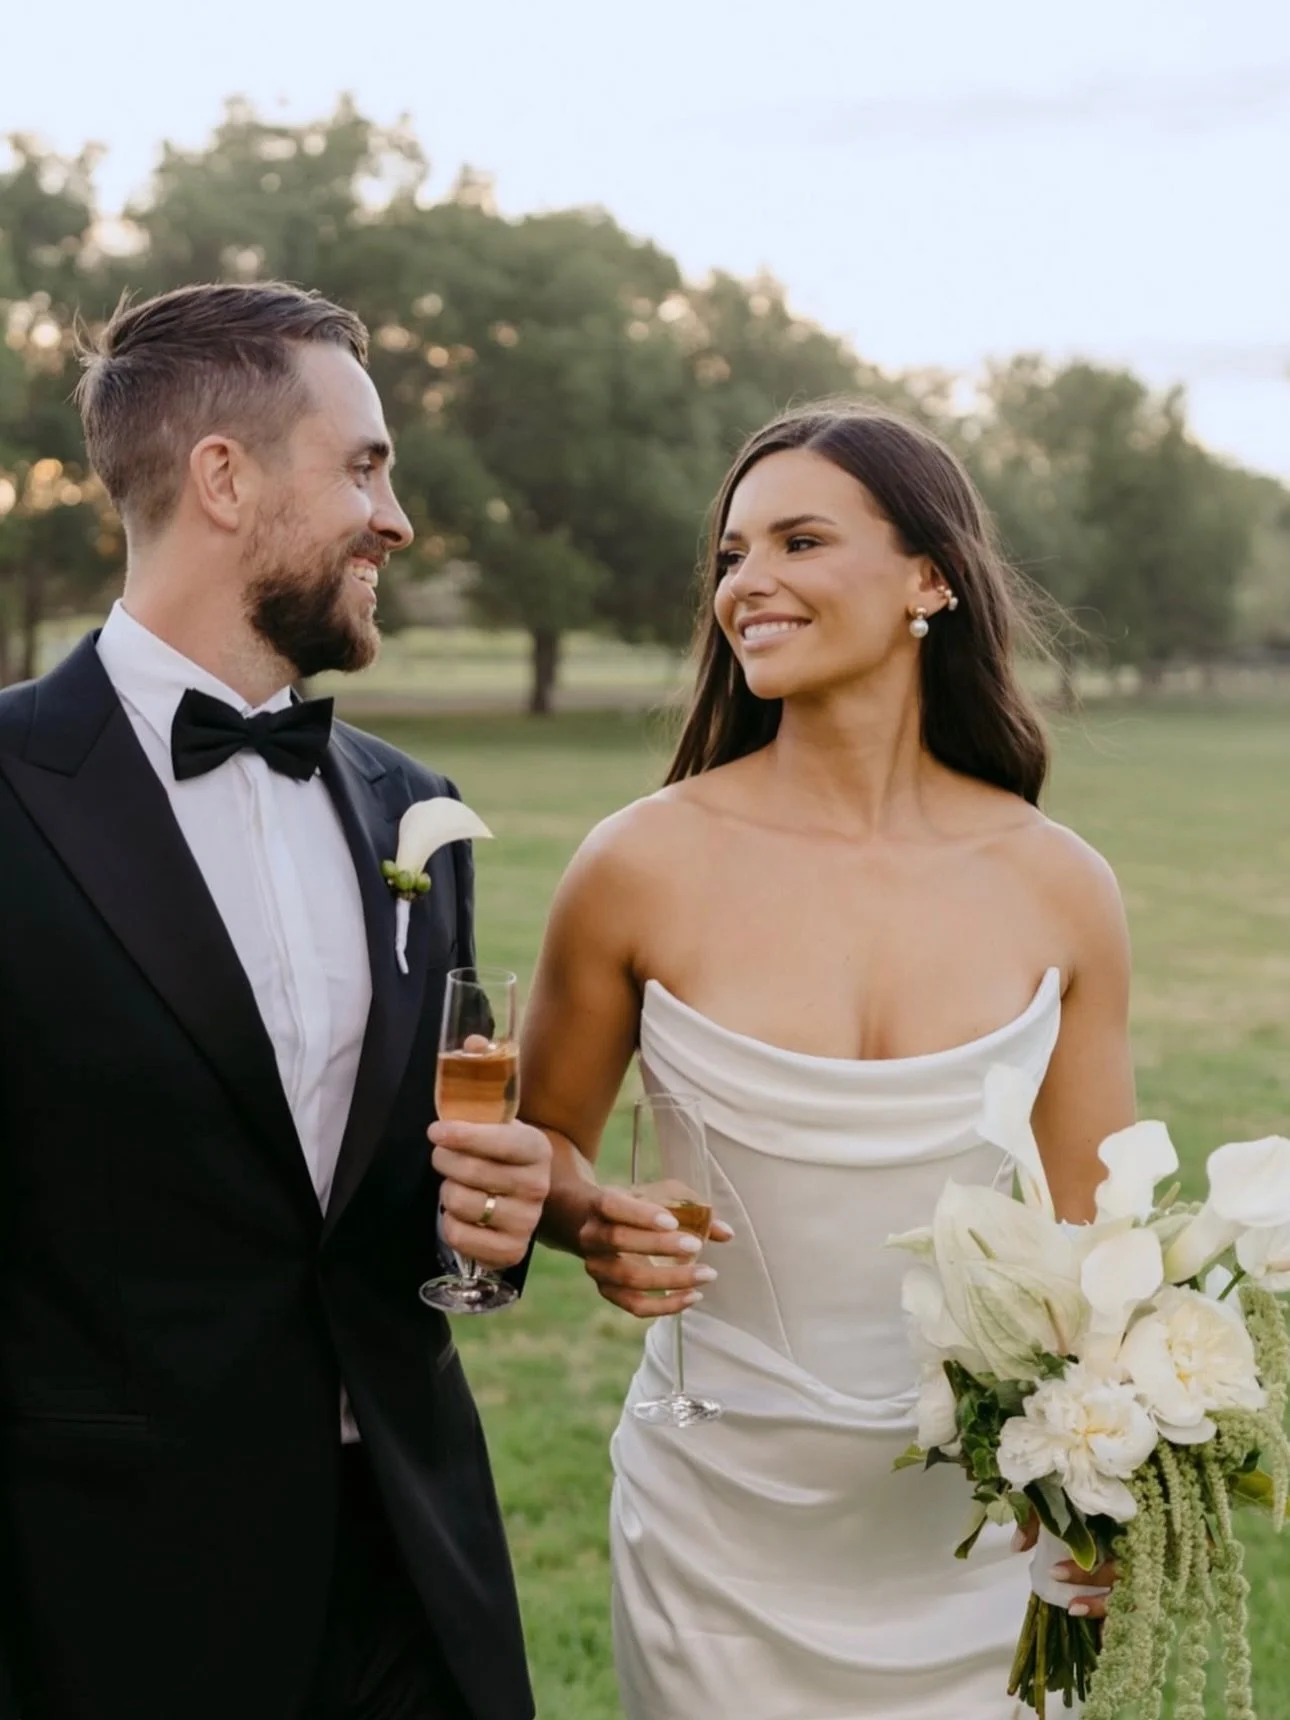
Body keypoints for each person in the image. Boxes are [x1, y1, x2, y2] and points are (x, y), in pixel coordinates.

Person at [522, 404, 1132, 1718]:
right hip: (718, 1528)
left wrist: (1103, 1485)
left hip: (983, 1540)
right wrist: (589, 1218)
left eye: (799, 542)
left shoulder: (1061, 887)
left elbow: (1097, 1235)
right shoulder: (635, 865)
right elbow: (543, 1146)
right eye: (732, 555)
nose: (749, 582)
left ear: (931, 579)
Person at [0, 282, 549, 1720]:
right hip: (114, 1594)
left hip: (412, 1574)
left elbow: (402, 1195)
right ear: (223, 479)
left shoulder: (416, 811)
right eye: (363, 468)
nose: (396, 520)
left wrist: (487, 1224)